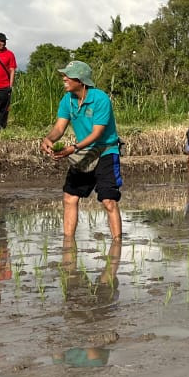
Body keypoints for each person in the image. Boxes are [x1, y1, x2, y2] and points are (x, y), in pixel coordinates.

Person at [42, 60, 123, 242]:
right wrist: (49, 139)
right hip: (82, 151)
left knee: (108, 200)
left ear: (81, 80)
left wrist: (73, 148)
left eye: (68, 76)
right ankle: (68, 244)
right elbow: (59, 128)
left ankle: (117, 245)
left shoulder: (100, 99)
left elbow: (97, 133)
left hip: (106, 150)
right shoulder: (67, 100)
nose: (64, 78)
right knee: (70, 198)